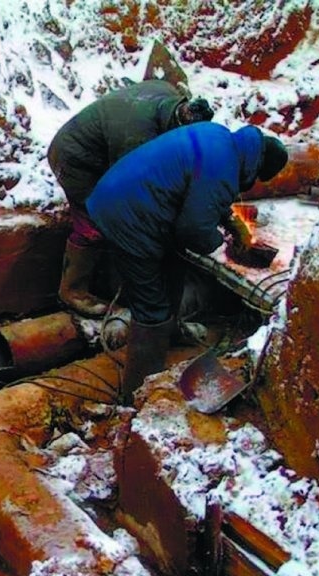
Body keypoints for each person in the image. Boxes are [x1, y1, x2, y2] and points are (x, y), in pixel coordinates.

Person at [85, 122, 289, 402]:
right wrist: (222, 245)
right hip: (127, 216)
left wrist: (229, 221)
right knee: (151, 306)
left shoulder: (220, 138)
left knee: (174, 268)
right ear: (256, 168)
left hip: (121, 195)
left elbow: (199, 191)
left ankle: (170, 332)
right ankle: (137, 391)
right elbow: (192, 230)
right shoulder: (225, 169)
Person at [47, 79, 214, 317]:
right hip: (74, 158)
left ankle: (109, 281)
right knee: (94, 223)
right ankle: (73, 291)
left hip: (102, 148)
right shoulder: (136, 135)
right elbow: (125, 190)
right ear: (177, 124)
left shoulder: (169, 94)